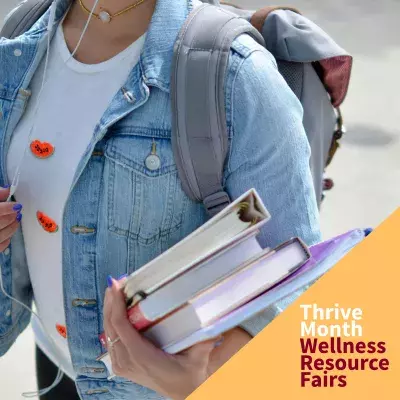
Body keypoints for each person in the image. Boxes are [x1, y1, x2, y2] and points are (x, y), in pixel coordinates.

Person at [0, 0, 321, 399]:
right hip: (56, 363)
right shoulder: (19, 36)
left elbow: (293, 275)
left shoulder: (237, 75)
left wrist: (198, 381)